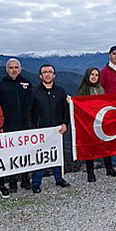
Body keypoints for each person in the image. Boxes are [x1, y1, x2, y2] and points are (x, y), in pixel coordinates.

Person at [26, 64, 71, 193]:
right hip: (40, 131)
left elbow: (65, 110)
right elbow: (28, 111)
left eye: (50, 72)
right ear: (40, 75)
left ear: (54, 75)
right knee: (39, 157)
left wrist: (64, 123)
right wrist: (31, 129)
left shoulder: (60, 91)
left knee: (57, 154)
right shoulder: (34, 92)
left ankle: (59, 179)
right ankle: (36, 182)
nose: (47, 74)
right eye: (44, 72)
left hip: (57, 130)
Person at [0, 58, 33, 192]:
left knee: (26, 153)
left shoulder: (27, 83)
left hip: (25, 125)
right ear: (7, 69)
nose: (14, 70)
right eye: (11, 68)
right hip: (8, 126)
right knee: (11, 154)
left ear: (20, 69)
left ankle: (25, 178)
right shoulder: (0, 86)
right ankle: (12, 180)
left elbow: (32, 105)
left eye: (16, 67)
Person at [76, 67, 116, 182]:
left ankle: (109, 168)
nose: (94, 77)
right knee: (90, 147)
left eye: (96, 75)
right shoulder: (83, 90)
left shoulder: (101, 88)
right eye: (92, 75)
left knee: (106, 145)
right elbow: (80, 106)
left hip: (101, 121)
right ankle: (90, 172)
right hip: (89, 123)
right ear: (87, 76)